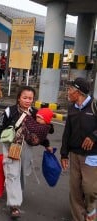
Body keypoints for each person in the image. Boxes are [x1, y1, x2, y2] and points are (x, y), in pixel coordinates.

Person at [0, 86, 52, 219]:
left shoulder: (35, 113)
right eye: (25, 98)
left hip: (27, 147)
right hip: (11, 145)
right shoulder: (9, 111)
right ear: (19, 98)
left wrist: (47, 145)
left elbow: (41, 132)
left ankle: (16, 191)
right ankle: (14, 204)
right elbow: (0, 126)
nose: (28, 100)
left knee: (23, 171)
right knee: (12, 173)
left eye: (30, 98)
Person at [60, 77, 97, 221]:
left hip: (92, 155)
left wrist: (93, 137)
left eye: (70, 90)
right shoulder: (72, 108)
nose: (68, 92)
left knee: (89, 189)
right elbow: (67, 132)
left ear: (79, 92)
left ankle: (91, 210)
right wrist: (64, 154)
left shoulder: (94, 106)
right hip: (74, 154)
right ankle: (79, 218)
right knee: (75, 189)